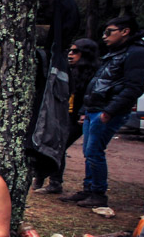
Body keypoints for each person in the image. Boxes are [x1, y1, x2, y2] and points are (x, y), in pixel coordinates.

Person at [61, 16, 144, 208]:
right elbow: (97, 84)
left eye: (109, 32)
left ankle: (98, 193)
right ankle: (88, 189)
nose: (104, 36)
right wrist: (85, 109)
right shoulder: (116, 52)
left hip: (107, 111)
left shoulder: (137, 53)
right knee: (89, 151)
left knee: (95, 151)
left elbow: (133, 88)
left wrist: (110, 111)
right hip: (94, 109)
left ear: (125, 31)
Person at [35, 39, 99, 194]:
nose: (71, 54)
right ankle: (45, 178)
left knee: (59, 146)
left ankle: (54, 182)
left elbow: (92, 96)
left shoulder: (93, 74)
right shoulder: (67, 70)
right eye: (70, 51)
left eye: (75, 51)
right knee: (51, 144)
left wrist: (83, 112)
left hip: (77, 117)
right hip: (61, 114)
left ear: (86, 54)